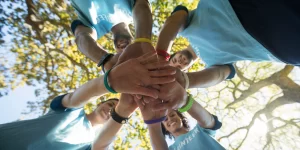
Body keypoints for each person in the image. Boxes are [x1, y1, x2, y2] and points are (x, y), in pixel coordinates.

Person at [0, 53, 176, 150]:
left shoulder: (90, 142)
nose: (109, 110)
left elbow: (98, 147)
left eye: (113, 110)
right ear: (99, 104)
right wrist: (109, 81)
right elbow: (77, 98)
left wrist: (122, 111)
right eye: (109, 104)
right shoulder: (70, 112)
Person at [152, 0, 300, 110]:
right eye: (179, 67)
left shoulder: (185, 28)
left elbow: (174, 20)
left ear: (174, 51)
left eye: (174, 60)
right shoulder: (211, 62)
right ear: (187, 68)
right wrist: (185, 81)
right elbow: (220, 74)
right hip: (273, 43)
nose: (179, 62)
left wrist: (160, 56)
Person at [71, 0, 154, 72]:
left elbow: (81, 37)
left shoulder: (94, 28)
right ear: (134, 41)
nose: (124, 51)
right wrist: (143, 42)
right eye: (129, 53)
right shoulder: (133, 11)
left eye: (121, 56)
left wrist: (106, 60)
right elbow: (143, 5)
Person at [138, 93, 225, 150]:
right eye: (165, 119)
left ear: (181, 117)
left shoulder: (200, 130)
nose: (170, 119)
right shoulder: (172, 148)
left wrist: (183, 99)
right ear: (165, 128)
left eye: (172, 115)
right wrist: (152, 122)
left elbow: (209, 121)